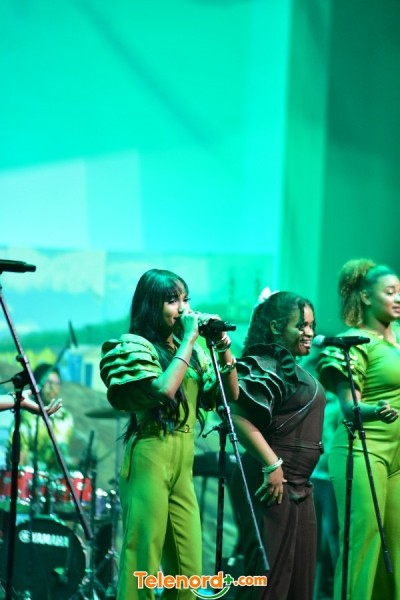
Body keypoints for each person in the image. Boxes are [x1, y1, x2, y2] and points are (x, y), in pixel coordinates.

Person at [99, 268, 239, 600]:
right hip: (151, 453)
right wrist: (189, 339)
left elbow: (229, 395)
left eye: (185, 299)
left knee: (189, 571)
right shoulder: (136, 346)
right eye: (173, 300)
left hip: (183, 460)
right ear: (151, 305)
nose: (183, 308)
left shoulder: (193, 352)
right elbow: (164, 389)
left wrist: (223, 348)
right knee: (142, 559)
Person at [229, 291, 326, 600]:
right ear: (275, 327)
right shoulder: (264, 364)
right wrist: (272, 465)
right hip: (272, 481)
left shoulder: (293, 368)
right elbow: (237, 416)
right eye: (301, 325)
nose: (309, 332)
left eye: (311, 326)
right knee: (268, 579)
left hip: (300, 485)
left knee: (299, 579)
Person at [317, 258, 400, 600]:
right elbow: (349, 407)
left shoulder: (398, 340)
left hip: (397, 458)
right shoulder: (352, 341)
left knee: (396, 547)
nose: (398, 298)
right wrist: (376, 410)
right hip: (363, 451)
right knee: (363, 541)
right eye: (390, 292)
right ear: (366, 297)